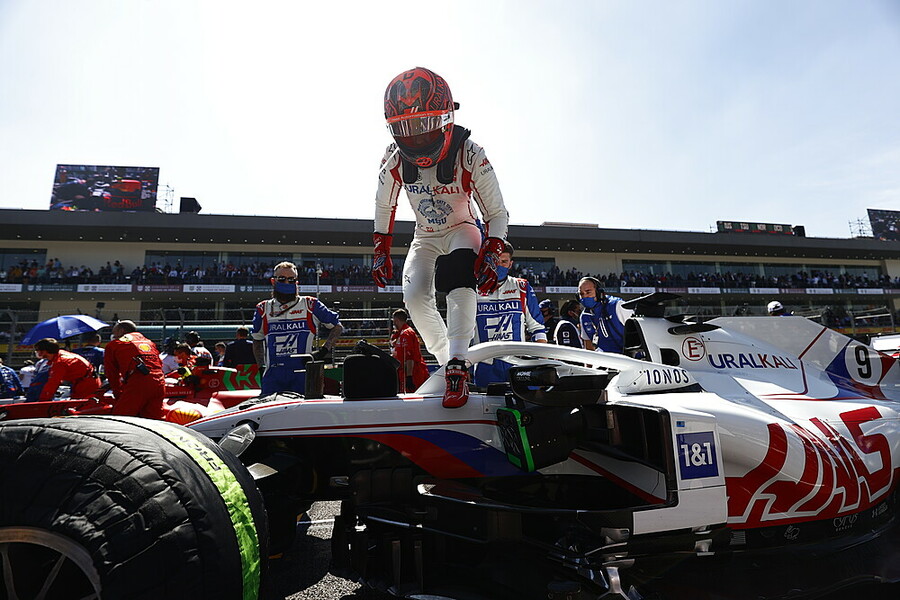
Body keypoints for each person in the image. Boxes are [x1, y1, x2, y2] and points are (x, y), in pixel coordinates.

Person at [373, 66, 509, 408]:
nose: (417, 138)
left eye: (424, 125)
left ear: (447, 118)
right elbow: (383, 204)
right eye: (407, 128)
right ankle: (448, 360)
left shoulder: (470, 153)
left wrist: (493, 247)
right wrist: (381, 248)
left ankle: (459, 362)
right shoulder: (393, 159)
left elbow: (496, 212)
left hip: (462, 228)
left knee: (457, 276)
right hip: (425, 235)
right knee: (414, 296)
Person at [252, 261, 343, 396]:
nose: (287, 283)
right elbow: (257, 340)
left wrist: (323, 351)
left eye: (291, 279)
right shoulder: (263, 309)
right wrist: (261, 367)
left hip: (302, 374)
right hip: (273, 376)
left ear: (297, 282)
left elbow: (337, 326)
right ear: (273, 281)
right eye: (282, 279)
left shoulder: (310, 304)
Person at [472, 242, 547, 387]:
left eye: (504, 262)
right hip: (484, 364)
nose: (499, 266)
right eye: (496, 261)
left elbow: (537, 328)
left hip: (517, 363)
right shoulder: (473, 289)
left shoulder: (522, 287)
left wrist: (543, 360)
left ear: (510, 264)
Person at [104, 320, 165, 418]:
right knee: (154, 419)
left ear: (121, 330)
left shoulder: (115, 344)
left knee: (121, 418)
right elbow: (160, 364)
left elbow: (112, 373)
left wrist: (118, 393)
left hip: (138, 382)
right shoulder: (149, 342)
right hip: (159, 382)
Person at [33, 338, 101, 401]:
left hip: (86, 384)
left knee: (81, 405)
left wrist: (43, 400)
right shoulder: (60, 354)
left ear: (45, 351)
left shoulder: (60, 362)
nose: (37, 352)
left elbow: (53, 383)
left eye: (38, 350)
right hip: (84, 380)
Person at [578, 277, 632, 353]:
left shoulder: (617, 305)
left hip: (630, 357)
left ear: (598, 292)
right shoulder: (584, 316)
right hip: (606, 358)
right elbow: (588, 347)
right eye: (581, 294)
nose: (584, 296)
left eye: (588, 292)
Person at [390, 309, 429, 393]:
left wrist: (409, 377)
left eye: (393, 321)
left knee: (411, 394)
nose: (393, 323)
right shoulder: (399, 334)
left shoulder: (406, 334)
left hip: (413, 372)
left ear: (396, 320)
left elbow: (409, 357)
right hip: (404, 372)